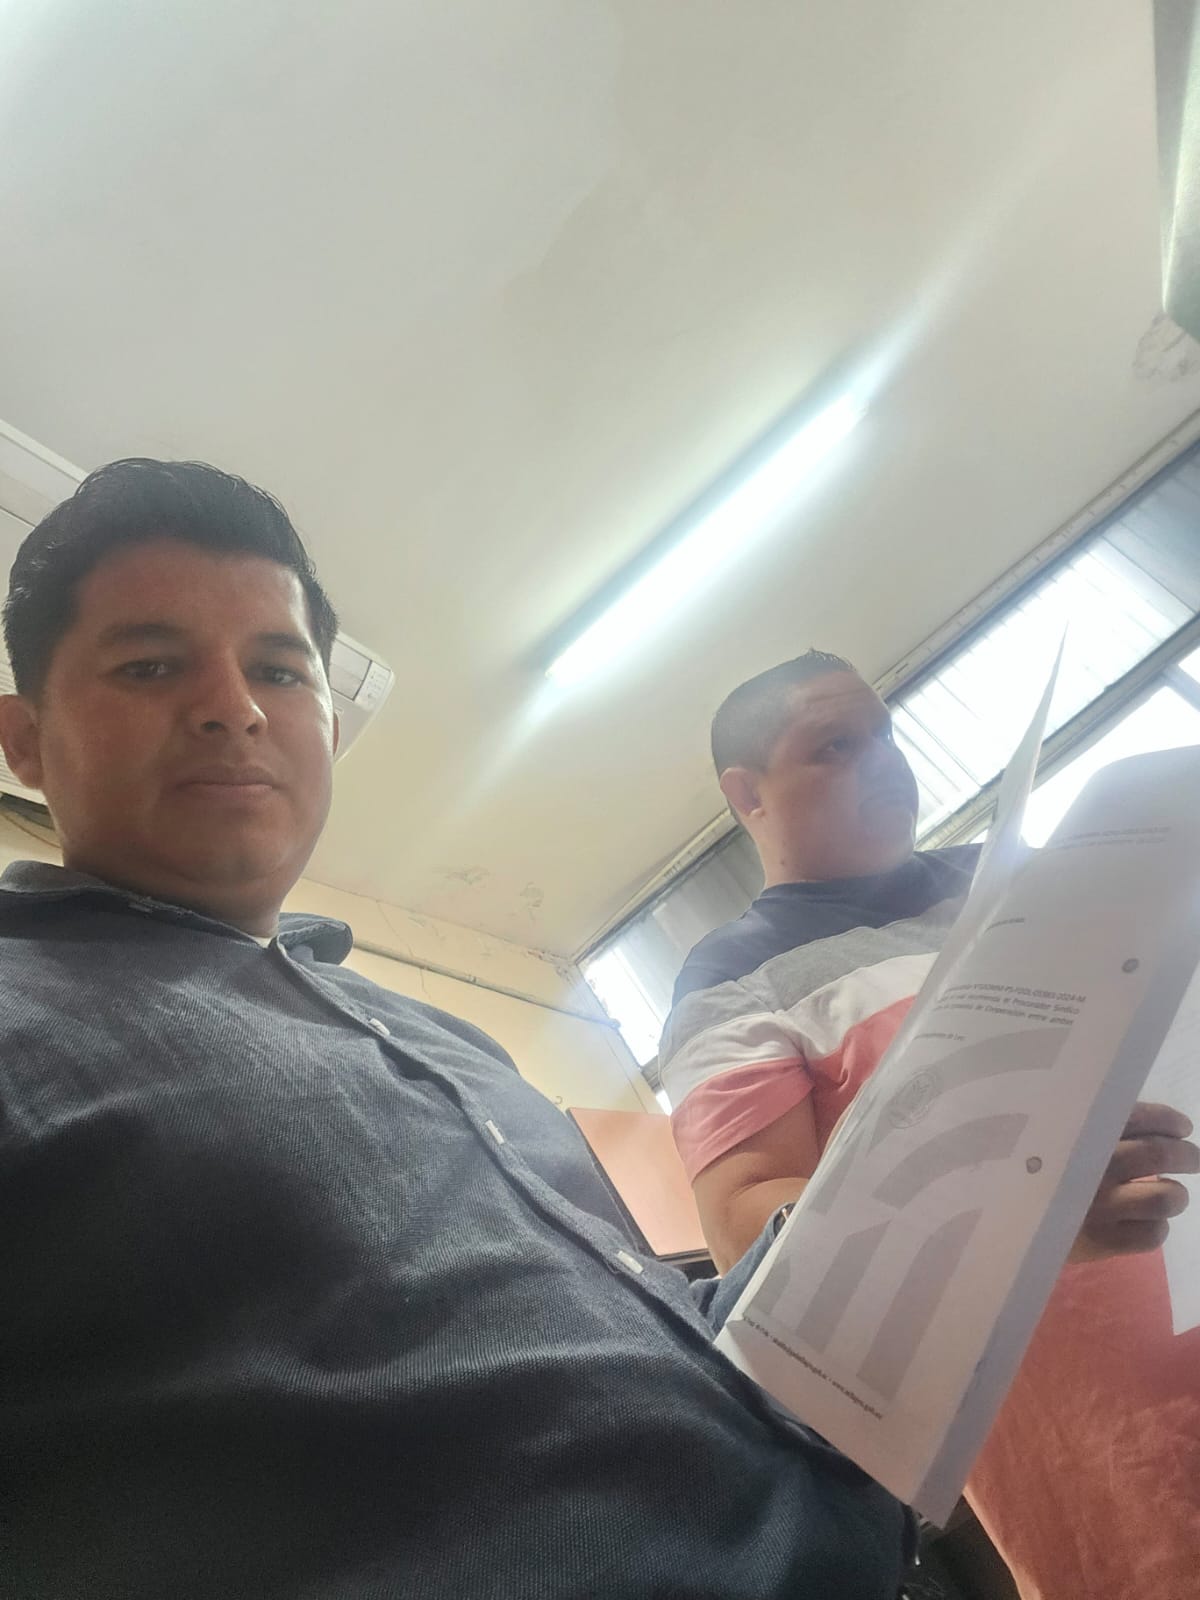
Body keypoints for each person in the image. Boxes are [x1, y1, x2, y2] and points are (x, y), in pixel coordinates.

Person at [0, 463, 913, 1599]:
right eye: (150, 665)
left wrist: (926, 1200)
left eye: (279, 669)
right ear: (24, 740)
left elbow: (680, 1349)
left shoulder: (455, 1048)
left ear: (331, 723)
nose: (234, 706)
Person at [659, 650, 1200, 1600]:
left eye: (886, 734)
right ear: (747, 794)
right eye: (835, 746)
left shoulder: (1027, 875)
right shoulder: (731, 980)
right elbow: (746, 1227)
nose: (883, 760)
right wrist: (1013, 1211)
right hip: (1097, 1437)